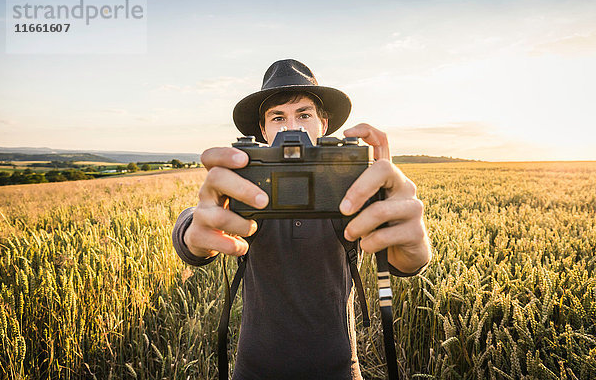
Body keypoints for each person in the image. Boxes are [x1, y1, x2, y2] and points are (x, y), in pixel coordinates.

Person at [172, 59, 432, 379]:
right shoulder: (248, 184)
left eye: (304, 114)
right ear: (263, 131)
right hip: (254, 368)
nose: (291, 128)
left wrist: (415, 244)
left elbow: (406, 260)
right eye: (277, 117)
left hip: (338, 368)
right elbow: (200, 219)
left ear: (323, 125)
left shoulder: (349, 185)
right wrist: (192, 233)